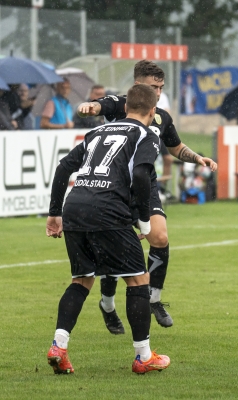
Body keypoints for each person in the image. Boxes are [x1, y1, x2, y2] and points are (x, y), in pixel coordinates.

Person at [76, 60, 217, 331]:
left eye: (161, 87)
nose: (159, 92)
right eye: (154, 87)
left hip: (146, 184)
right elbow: (99, 105)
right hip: (114, 186)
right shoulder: (123, 104)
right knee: (115, 249)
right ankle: (107, 303)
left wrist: (198, 158)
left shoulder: (161, 116)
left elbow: (175, 147)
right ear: (138, 85)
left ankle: (154, 298)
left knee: (160, 237)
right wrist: (90, 107)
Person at [45, 84, 170, 375]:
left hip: (75, 207)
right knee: (139, 281)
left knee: (81, 280)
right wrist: (142, 219)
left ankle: (59, 346)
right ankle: (143, 357)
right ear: (152, 111)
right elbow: (141, 173)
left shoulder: (96, 133)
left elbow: (64, 167)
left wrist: (54, 213)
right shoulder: (145, 134)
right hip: (108, 210)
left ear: (125, 108)